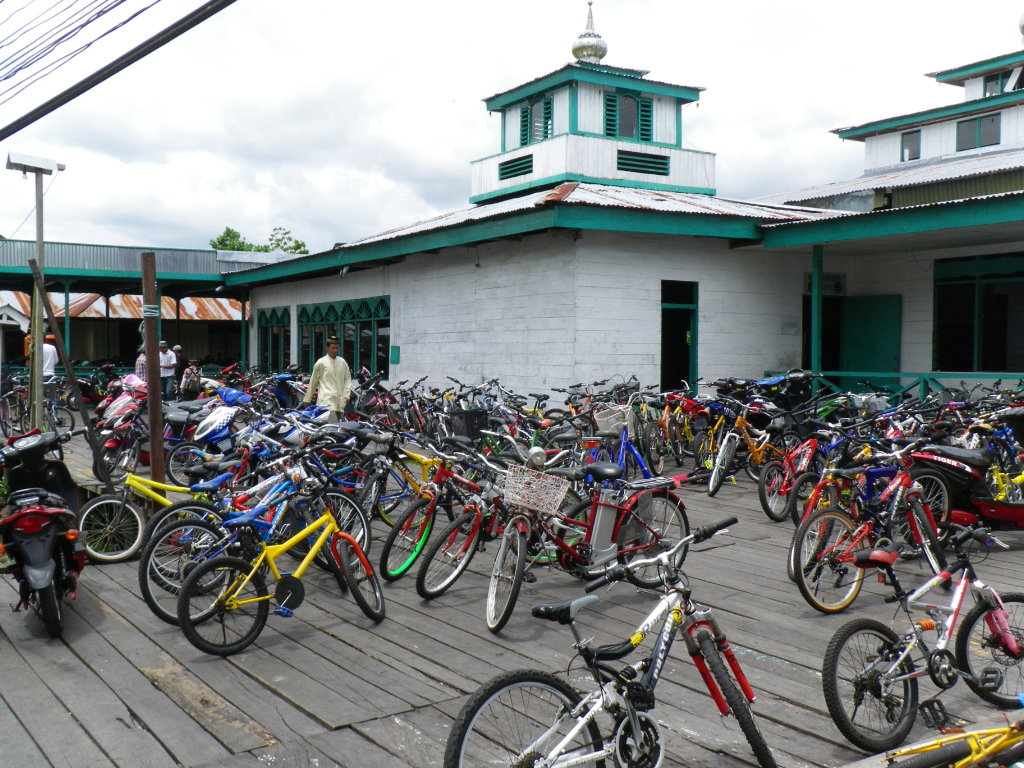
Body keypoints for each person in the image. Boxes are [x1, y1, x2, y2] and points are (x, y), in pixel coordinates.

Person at [302, 335, 351, 423]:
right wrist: (307, 400)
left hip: (340, 403)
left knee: (341, 430)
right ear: (326, 348)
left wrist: (346, 395)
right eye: (332, 348)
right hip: (326, 403)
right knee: (331, 429)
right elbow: (313, 382)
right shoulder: (321, 363)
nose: (335, 350)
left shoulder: (342, 362)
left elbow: (347, 379)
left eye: (337, 348)